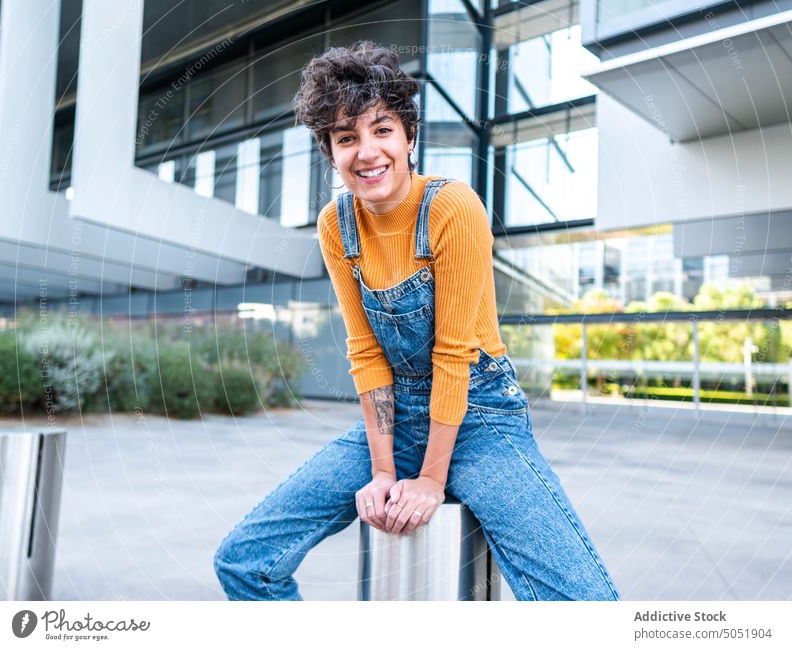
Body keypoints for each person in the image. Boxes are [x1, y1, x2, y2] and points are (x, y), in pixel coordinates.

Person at [213, 40, 620, 601]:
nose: (366, 151)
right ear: (331, 153)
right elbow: (367, 352)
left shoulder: (453, 207)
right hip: (396, 418)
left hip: (481, 421)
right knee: (243, 561)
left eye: (381, 129)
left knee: (585, 605)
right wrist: (384, 471)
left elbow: (456, 354)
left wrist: (430, 480)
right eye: (345, 137)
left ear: (408, 137)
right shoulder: (337, 226)